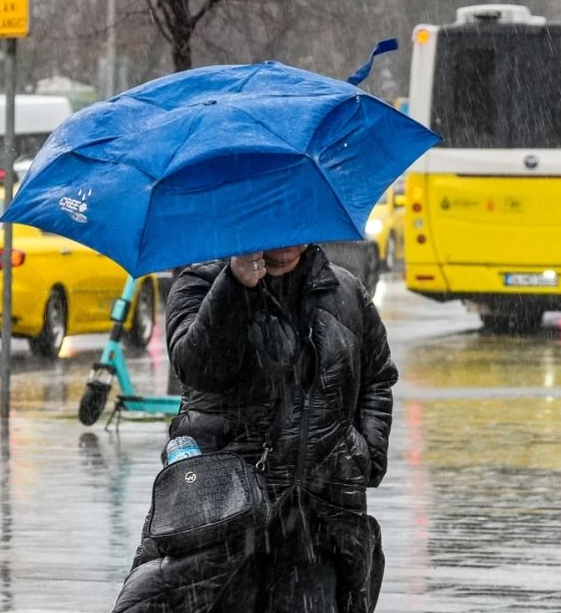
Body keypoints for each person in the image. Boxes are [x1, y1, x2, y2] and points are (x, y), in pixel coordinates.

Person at [112, 244, 397, 613]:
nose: (290, 238)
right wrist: (236, 286)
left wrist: (366, 454)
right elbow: (199, 368)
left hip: (320, 517)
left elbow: (377, 377)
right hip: (224, 513)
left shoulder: (343, 291)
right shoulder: (202, 282)